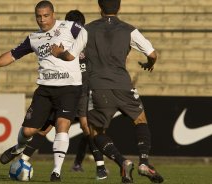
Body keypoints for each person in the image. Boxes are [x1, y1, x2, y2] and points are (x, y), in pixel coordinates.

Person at [50, 0, 164, 183]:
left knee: (95, 132)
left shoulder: (87, 29)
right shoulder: (129, 30)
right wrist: (149, 65)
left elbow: (70, 56)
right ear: (119, 7)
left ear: (99, 7)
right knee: (140, 119)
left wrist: (58, 53)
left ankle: (122, 162)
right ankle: (144, 161)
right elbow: (152, 54)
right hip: (124, 85)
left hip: (99, 88)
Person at [0, 1, 87, 182]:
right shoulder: (33, 38)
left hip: (69, 88)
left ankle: (56, 172)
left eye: (46, 16)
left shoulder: (69, 27)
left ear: (53, 14)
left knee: (62, 126)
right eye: (39, 17)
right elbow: (12, 55)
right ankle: (18, 147)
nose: (42, 20)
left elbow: (85, 32)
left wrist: (70, 54)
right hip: (45, 89)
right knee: (27, 131)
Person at [20, 9, 108, 180]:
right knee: (46, 128)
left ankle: (99, 166)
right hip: (63, 89)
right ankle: (23, 157)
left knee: (86, 127)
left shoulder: (85, 43)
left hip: (80, 90)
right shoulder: (62, 43)